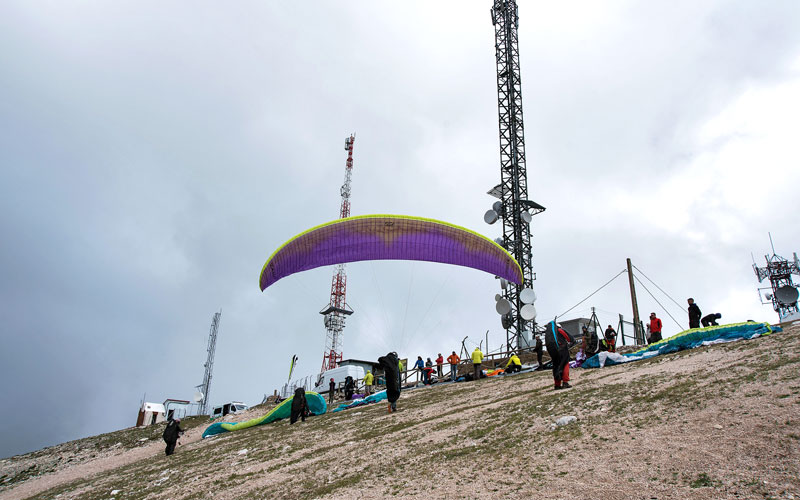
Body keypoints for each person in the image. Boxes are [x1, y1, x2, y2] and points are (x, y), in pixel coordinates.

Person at [544, 321, 574, 390]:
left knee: (556, 366)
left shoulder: (549, 335)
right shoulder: (560, 330)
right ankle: (565, 382)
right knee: (565, 365)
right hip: (562, 351)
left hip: (553, 351)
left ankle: (557, 385)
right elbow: (570, 339)